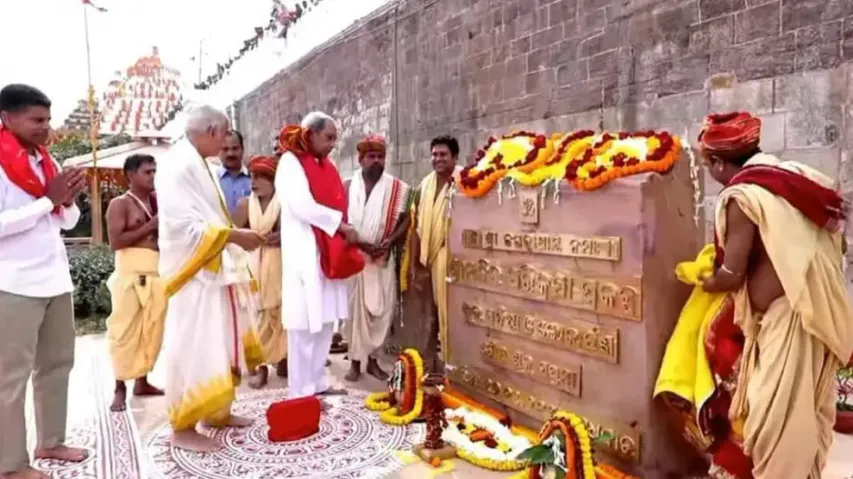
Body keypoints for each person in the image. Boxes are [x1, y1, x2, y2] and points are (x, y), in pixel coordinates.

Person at [697, 112, 853, 478]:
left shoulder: (742, 196)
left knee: (774, 415)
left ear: (719, 162)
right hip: (806, 309)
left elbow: (732, 272)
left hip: (791, 317)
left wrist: (702, 280)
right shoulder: (792, 179)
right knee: (790, 410)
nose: (710, 173)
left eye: (708, 165)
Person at [156, 105, 265, 452]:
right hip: (194, 277)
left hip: (213, 271)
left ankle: (217, 412)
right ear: (213, 131)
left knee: (218, 342)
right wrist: (235, 236)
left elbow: (207, 217)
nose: (225, 143)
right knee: (193, 347)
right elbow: (182, 228)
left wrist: (232, 236)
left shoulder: (197, 163)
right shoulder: (179, 165)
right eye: (224, 134)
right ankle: (183, 426)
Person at [0, 84, 89, 479]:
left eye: (47, 120)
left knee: (57, 365)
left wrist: (68, 199)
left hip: (55, 278)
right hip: (13, 283)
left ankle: (50, 441)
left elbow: (65, 223)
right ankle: (10, 465)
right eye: (37, 120)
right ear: (7, 118)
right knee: (9, 380)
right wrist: (47, 201)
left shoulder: (44, 161)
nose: (45, 128)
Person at [276, 111, 363, 401]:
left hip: (328, 253)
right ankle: (300, 392)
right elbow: (301, 205)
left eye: (335, 139)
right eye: (328, 138)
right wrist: (341, 225)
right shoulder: (290, 163)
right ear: (310, 134)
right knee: (303, 324)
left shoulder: (324, 164)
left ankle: (317, 382)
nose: (332, 145)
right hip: (305, 255)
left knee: (325, 321)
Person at [343, 134, 411, 382]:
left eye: (381, 156)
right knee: (353, 314)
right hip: (354, 260)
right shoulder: (347, 186)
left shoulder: (397, 188)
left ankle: (372, 361)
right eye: (371, 156)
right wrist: (361, 244)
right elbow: (338, 221)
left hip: (381, 259)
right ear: (360, 159)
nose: (377, 161)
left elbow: (406, 219)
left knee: (380, 313)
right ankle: (354, 362)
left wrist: (389, 242)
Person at [104, 154, 166, 412]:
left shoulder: (156, 201)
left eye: (154, 171)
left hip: (156, 273)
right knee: (124, 331)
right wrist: (151, 225)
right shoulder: (120, 204)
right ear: (130, 175)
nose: (152, 176)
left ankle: (142, 381)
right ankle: (120, 387)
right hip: (129, 275)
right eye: (147, 172)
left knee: (150, 330)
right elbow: (116, 242)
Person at [393, 135, 460, 371]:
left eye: (443, 155)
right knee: (427, 319)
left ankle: (456, 367)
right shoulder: (424, 186)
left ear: (454, 157)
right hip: (426, 261)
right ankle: (430, 366)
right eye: (434, 154)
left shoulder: (465, 182)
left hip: (453, 262)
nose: (437, 159)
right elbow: (415, 227)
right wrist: (414, 265)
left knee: (452, 317)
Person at [232, 155, 287, 387]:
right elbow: (232, 236)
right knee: (255, 316)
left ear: (273, 180)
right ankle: (261, 367)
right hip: (252, 265)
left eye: (260, 177)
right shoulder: (245, 204)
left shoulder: (284, 203)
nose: (253, 182)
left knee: (280, 315)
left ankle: (282, 359)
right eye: (252, 177)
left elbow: (295, 234)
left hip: (279, 265)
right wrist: (251, 240)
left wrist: (282, 237)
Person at [218, 130, 251, 213]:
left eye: (235, 148)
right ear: (218, 151)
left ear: (242, 149)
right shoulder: (211, 180)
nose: (230, 153)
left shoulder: (254, 179)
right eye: (225, 149)